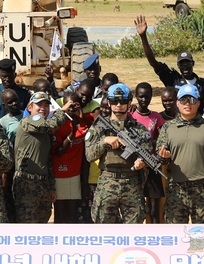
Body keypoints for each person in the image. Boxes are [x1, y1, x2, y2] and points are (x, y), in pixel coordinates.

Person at [85, 84, 151, 224]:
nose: (118, 105)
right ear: (108, 102)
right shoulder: (98, 128)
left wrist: (141, 162)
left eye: (122, 101)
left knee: (134, 227)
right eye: (114, 101)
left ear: (129, 102)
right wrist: (104, 141)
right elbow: (89, 155)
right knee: (104, 227)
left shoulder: (139, 129)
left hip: (131, 181)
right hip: (107, 181)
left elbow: (146, 153)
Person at [157, 84, 204, 224]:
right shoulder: (168, 127)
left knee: (202, 235)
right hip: (176, 188)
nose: (188, 104)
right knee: (176, 234)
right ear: (177, 103)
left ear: (198, 103)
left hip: (202, 188)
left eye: (192, 100)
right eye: (184, 100)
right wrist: (164, 156)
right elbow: (160, 154)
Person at [12, 91, 62, 223]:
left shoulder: (44, 131)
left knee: (42, 222)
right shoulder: (27, 122)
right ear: (30, 108)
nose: (43, 108)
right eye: (39, 105)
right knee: (27, 225)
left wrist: (51, 187)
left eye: (46, 105)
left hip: (42, 183)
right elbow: (52, 125)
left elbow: (47, 160)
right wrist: (64, 111)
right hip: (26, 183)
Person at [133, 15, 204, 99]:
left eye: (187, 63)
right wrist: (143, 36)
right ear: (178, 66)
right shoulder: (173, 80)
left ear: (193, 64)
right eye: (182, 64)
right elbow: (153, 63)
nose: (185, 66)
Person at [131, 81, 166, 223]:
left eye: (147, 96)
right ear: (136, 97)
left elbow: (163, 139)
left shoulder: (156, 117)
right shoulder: (130, 116)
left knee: (154, 209)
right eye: (141, 97)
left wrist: (152, 144)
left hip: (152, 165)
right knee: (137, 208)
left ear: (152, 97)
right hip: (135, 166)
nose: (144, 100)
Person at [51, 93, 89, 223]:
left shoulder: (84, 122)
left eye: (75, 106)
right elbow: (59, 151)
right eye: (69, 106)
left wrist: (82, 119)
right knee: (60, 214)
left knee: (73, 214)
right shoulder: (59, 124)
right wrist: (73, 132)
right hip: (59, 174)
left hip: (75, 175)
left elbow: (97, 130)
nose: (72, 110)